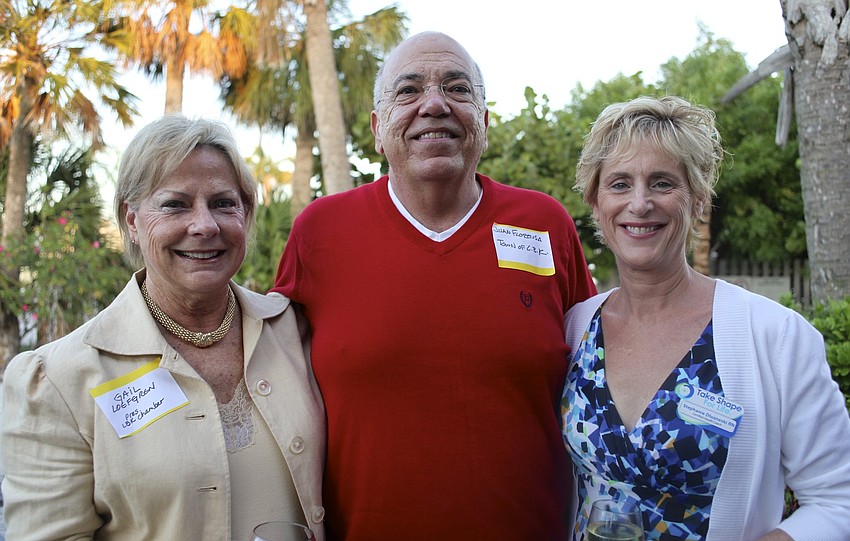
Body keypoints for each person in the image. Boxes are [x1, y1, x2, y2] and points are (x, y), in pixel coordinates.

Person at [270, 31, 597, 540]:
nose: (435, 104)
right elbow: (265, 371)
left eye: (457, 88)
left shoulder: (544, 223)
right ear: (379, 130)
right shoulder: (320, 232)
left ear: (484, 123)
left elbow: (597, 376)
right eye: (409, 91)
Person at [1, 115, 326, 541]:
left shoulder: (294, 331)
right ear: (132, 220)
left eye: (224, 203)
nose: (204, 225)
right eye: (175, 204)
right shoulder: (59, 381)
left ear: (246, 215)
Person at [561, 95, 850, 541]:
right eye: (619, 184)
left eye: (662, 183)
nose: (640, 204)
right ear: (595, 204)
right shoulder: (577, 327)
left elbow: (837, 499)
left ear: (697, 200)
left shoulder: (775, 337)